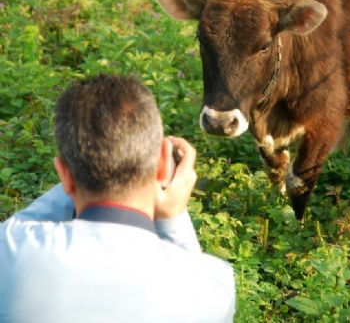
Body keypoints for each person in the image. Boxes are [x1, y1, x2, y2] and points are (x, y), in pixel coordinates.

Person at [0, 74, 235, 323]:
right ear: (163, 162)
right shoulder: (214, 285)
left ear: (64, 174)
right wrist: (173, 220)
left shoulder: (11, 250)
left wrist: (84, 168)